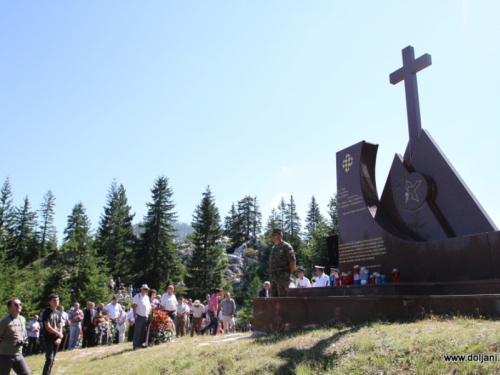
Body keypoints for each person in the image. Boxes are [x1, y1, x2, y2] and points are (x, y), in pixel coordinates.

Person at [0, 297, 30, 375]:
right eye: (15, 304)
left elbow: (22, 333)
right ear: (10, 307)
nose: (19, 306)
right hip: (5, 355)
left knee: (26, 373)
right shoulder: (4, 321)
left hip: (18, 354)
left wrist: (23, 340)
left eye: (20, 304)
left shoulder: (22, 319)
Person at [268, 228, 296, 297]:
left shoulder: (286, 246)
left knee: (283, 297)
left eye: (274, 235)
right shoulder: (273, 248)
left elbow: (292, 261)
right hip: (273, 275)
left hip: (282, 275)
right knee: (273, 298)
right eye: (272, 235)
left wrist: (288, 274)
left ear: (280, 235)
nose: (272, 237)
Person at [42, 294, 63, 375]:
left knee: (53, 358)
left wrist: (60, 336)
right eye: (54, 300)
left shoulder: (58, 312)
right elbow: (47, 327)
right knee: (49, 359)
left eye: (57, 300)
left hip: (56, 337)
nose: (56, 302)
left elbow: (60, 325)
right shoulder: (46, 312)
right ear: (49, 302)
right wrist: (58, 333)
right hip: (48, 338)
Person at [132, 284, 151, 350]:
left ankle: (140, 343)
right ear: (141, 289)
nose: (146, 291)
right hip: (139, 315)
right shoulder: (138, 296)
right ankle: (136, 345)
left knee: (143, 331)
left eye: (147, 290)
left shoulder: (147, 297)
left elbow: (149, 307)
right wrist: (134, 314)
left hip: (145, 316)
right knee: (138, 330)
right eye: (145, 289)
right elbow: (134, 305)